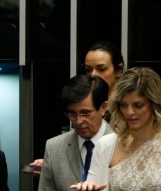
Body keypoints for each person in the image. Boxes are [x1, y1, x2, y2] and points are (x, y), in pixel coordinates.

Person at [29, 40, 124, 175]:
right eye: (88, 70)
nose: (93, 75)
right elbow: (76, 145)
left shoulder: (128, 110)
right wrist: (56, 163)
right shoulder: (78, 100)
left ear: (118, 70)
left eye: (101, 69)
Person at [36, 75, 111, 191]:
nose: (78, 121)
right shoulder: (54, 147)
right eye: (72, 113)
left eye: (85, 113)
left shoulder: (121, 144)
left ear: (103, 108)